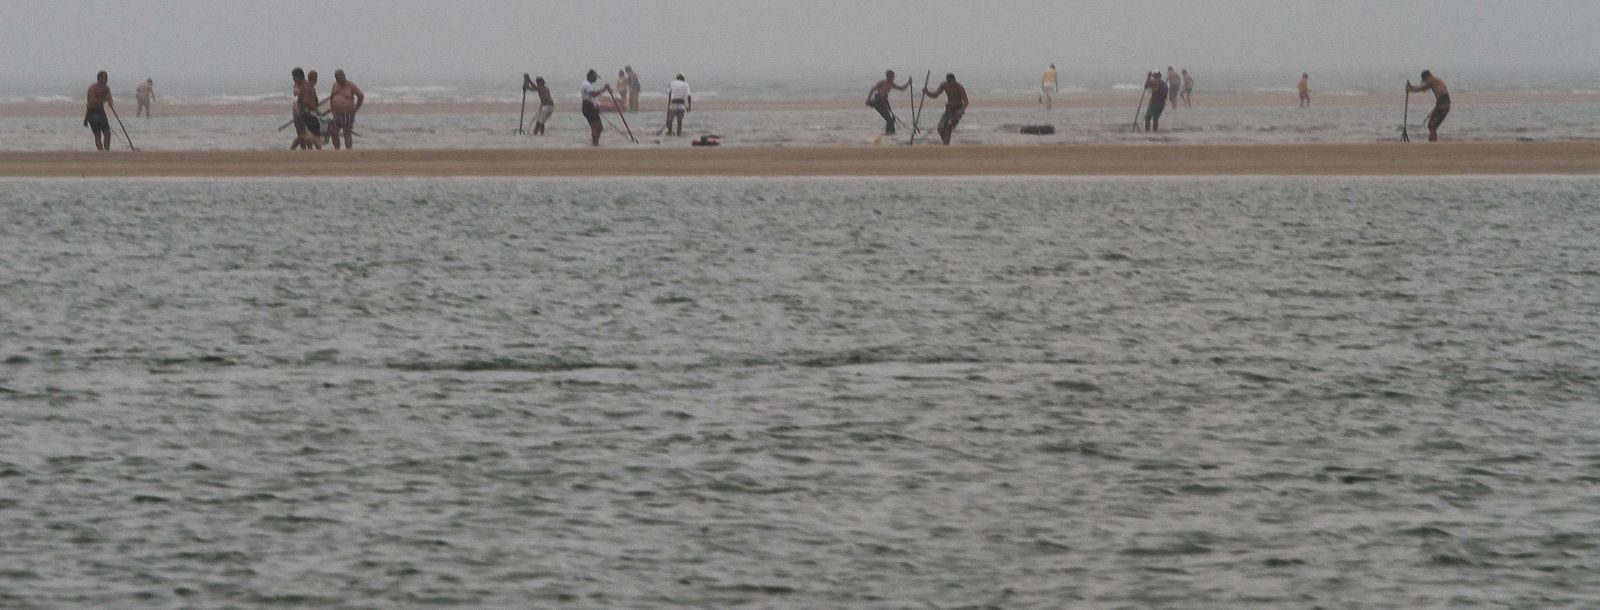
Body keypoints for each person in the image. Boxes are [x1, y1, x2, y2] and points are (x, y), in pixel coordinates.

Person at [922, 73, 969, 145]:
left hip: (957, 109)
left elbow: (966, 101)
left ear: (954, 80)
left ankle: (946, 146)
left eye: (952, 82)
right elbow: (935, 95)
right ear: (947, 81)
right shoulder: (944, 85)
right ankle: (946, 144)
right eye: (950, 83)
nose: (951, 84)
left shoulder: (959, 87)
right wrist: (927, 92)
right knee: (940, 129)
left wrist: (961, 110)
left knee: (949, 127)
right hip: (948, 110)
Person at [1406, 70, 1451, 142]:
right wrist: (1411, 87)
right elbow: (1423, 88)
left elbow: (1422, 88)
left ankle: (1432, 142)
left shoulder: (1432, 81)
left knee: (1431, 126)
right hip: (1444, 104)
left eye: (1425, 80)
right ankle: (1433, 141)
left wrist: (1411, 89)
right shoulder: (1435, 81)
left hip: (1443, 104)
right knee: (1432, 125)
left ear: (1428, 76)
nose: (1425, 82)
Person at [865, 70, 911, 135]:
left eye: (894, 76)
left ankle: (889, 134)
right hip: (878, 102)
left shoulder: (892, 84)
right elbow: (872, 89)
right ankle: (889, 134)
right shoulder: (882, 82)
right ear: (888, 77)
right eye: (892, 77)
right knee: (890, 120)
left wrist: (908, 83)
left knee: (890, 120)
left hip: (884, 102)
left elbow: (901, 89)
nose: (893, 78)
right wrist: (868, 99)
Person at [328, 69, 365, 150]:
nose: (338, 80)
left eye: (339, 78)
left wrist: (356, 108)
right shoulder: (335, 85)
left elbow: (360, 96)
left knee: (347, 132)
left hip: (347, 113)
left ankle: (348, 151)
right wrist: (332, 108)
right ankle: (337, 150)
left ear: (344, 76)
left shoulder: (351, 85)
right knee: (333, 131)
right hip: (336, 113)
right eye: (336, 78)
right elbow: (332, 97)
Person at [289, 68, 321, 150]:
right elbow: (300, 100)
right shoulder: (296, 86)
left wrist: (315, 108)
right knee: (302, 134)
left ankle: (313, 150)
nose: (293, 79)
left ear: (300, 76)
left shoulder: (307, 86)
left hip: (307, 113)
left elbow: (313, 99)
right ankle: (303, 150)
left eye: (294, 77)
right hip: (300, 113)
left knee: (309, 134)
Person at [582, 69, 616, 146]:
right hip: (588, 107)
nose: (596, 79)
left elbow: (592, 97)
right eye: (595, 78)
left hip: (590, 106)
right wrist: (604, 89)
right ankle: (595, 143)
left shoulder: (588, 84)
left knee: (599, 127)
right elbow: (593, 94)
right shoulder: (586, 84)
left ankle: (595, 142)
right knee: (595, 126)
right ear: (590, 77)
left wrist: (596, 105)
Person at [84, 71, 114, 151]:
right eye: (105, 78)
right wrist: (104, 100)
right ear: (99, 78)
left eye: (107, 78)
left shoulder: (106, 88)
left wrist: (110, 102)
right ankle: (101, 151)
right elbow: (91, 100)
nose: (107, 80)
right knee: (97, 135)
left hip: (101, 112)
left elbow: (109, 98)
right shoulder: (92, 88)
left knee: (107, 133)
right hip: (92, 112)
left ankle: (107, 151)